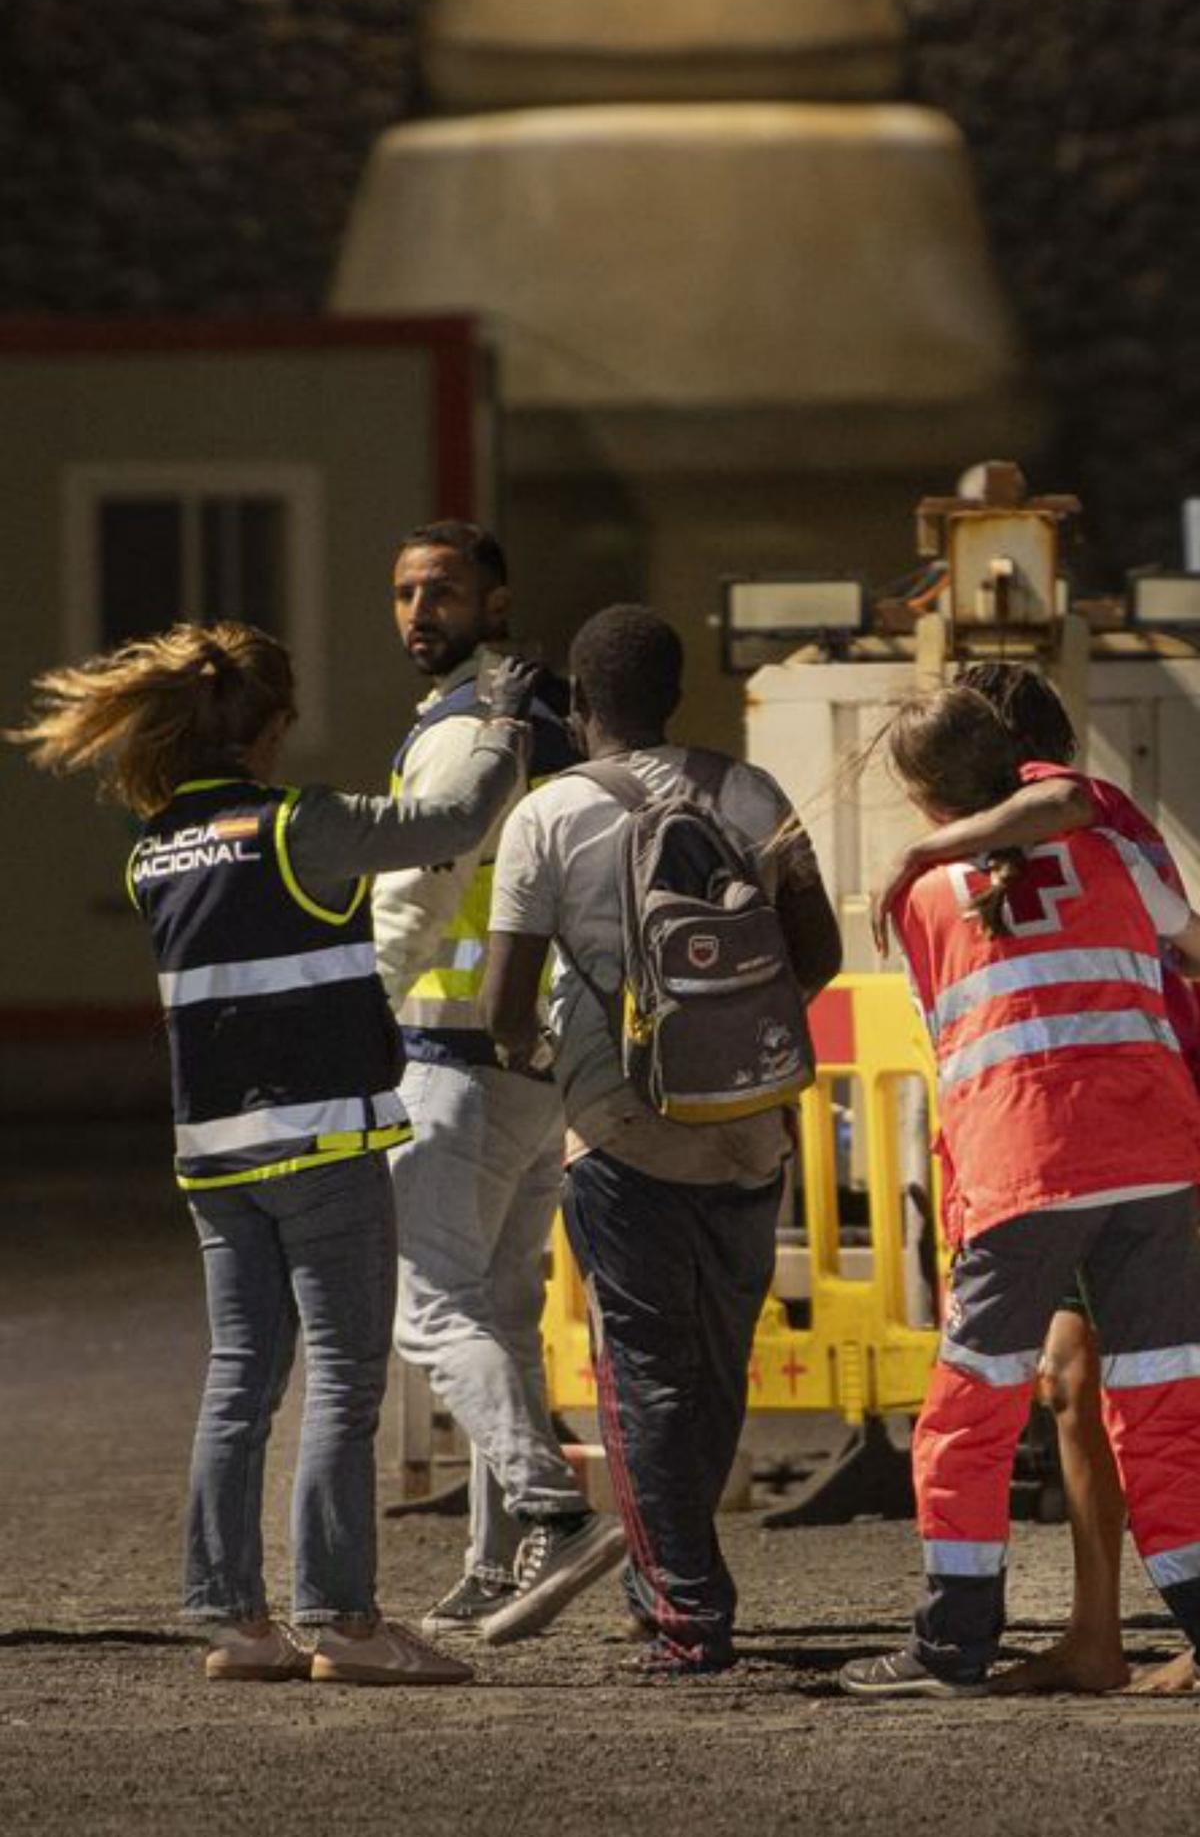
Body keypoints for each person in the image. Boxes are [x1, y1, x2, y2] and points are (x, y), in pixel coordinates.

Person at [7, 619, 536, 1687]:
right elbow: (461, 814)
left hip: (212, 1154)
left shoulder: (156, 847)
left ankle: (233, 1620)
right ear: (272, 730)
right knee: (344, 1375)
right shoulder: (302, 825)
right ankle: (342, 1619)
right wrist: (502, 719)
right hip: (321, 1140)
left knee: (241, 1375)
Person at [483, 604, 842, 1670]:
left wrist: (545, 1057)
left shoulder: (546, 817)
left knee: (642, 1369)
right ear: (676, 695)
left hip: (621, 1127)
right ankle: (659, 1581)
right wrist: (734, 1040)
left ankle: (687, 1611)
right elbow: (815, 946)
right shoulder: (751, 791)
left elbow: (505, 999)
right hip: (750, 1127)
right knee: (718, 1358)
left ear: (580, 706)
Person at [840, 684, 1200, 1698]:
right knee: (1165, 1404)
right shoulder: (1112, 846)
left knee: (971, 1410)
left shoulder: (914, 896)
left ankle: (952, 1641)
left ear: (919, 795)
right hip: (1156, 1149)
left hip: (1025, 1160)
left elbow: (946, 1030)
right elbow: (1188, 943)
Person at [374, 522, 620, 1639]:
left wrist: (359, 1013)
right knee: (507, 1320)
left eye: (443, 591)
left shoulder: (460, 729)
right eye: (405, 593)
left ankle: (549, 1506)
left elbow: (414, 899)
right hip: (542, 1066)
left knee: (428, 1315)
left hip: (448, 1057)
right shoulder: (557, 718)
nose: (420, 610)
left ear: (497, 601)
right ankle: (492, 1564)